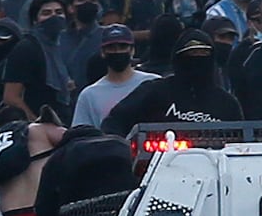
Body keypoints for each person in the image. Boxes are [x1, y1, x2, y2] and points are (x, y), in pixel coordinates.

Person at [101, 29, 245, 136]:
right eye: (191, 54)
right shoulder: (155, 92)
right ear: (179, 58)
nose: (197, 59)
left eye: (203, 54)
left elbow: (242, 142)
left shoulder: (227, 104)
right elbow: (114, 122)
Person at [71, 24, 157, 129]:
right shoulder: (89, 95)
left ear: (132, 50)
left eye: (123, 47)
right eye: (111, 48)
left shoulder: (154, 84)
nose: (117, 52)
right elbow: (80, 134)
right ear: (103, 52)